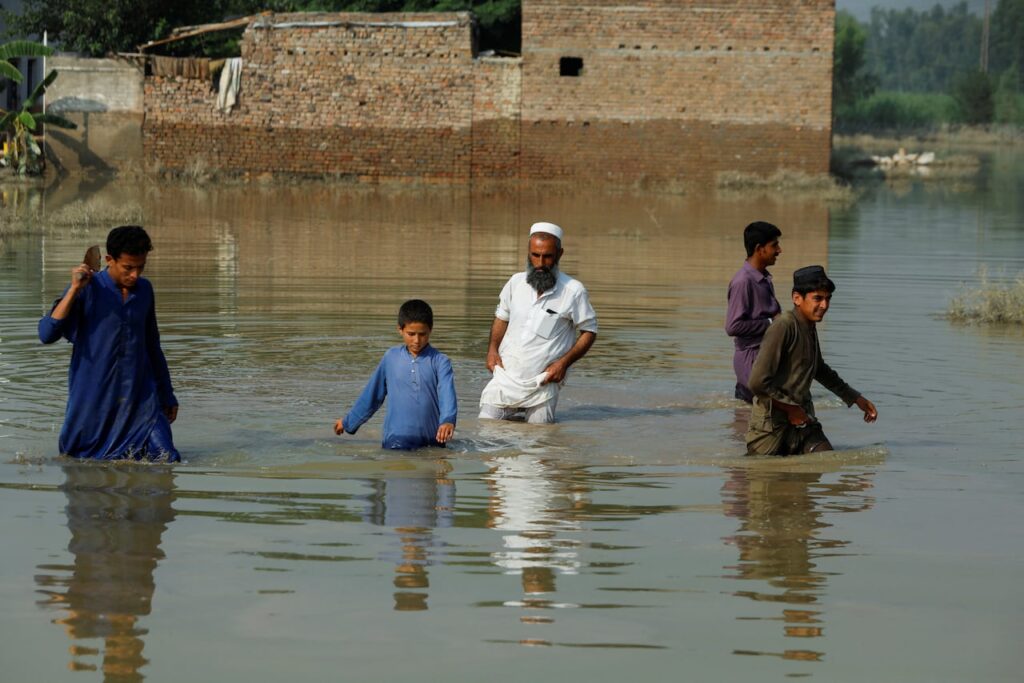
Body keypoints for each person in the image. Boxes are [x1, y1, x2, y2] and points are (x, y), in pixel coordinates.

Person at [38, 225, 180, 461]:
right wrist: (74, 289)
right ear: (109, 260)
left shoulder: (144, 291)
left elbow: (152, 345)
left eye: (140, 267)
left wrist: (167, 394)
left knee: (167, 459)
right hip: (95, 400)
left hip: (141, 399)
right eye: (128, 267)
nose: (135, 274)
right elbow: (46, 334)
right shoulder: (89, 288)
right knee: (86, 469)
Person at [746, 265, 878, 456]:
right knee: (767, 476)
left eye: (828, 299)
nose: (824, 305)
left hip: (803, 420)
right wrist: (791, 410)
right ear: (796, 298)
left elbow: (819, 369)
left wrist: (856, 398)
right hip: (771, 428)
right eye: (818, 298)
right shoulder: (783, 326)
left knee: (828, 461)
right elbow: (757, 382)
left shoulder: (809, 326)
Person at [479, 222, 598, 424]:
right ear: (528, 252)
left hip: (544, 382)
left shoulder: (573, 291)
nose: (540, 263)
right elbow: (502, 317)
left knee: (539, 441)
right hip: (506, 377)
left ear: (560, 254)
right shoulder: (515, 283)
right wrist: (492, 350)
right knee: (487, 430)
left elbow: (589, 330)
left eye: (547, 256)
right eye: (535, 255)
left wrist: (563, 364)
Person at [335, 299, 457, 450]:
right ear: (400, 329)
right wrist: (348, 422)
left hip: (433, 439)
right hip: (396, 438)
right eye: (411, 334)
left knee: (431, 472)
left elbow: (447, 394)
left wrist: (447, 420)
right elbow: (372, 396)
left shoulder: (441, 361)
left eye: (422, 334)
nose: (417, 340)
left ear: (430, 330)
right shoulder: (391, 358)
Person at [725, 221, 783, 402]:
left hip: (764, 360)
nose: (779, 250)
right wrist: (772, 323)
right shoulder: (743, 281)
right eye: (774, 245)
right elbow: (733, 326)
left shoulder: (763, 278)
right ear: (760, 249)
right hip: (752, 362)